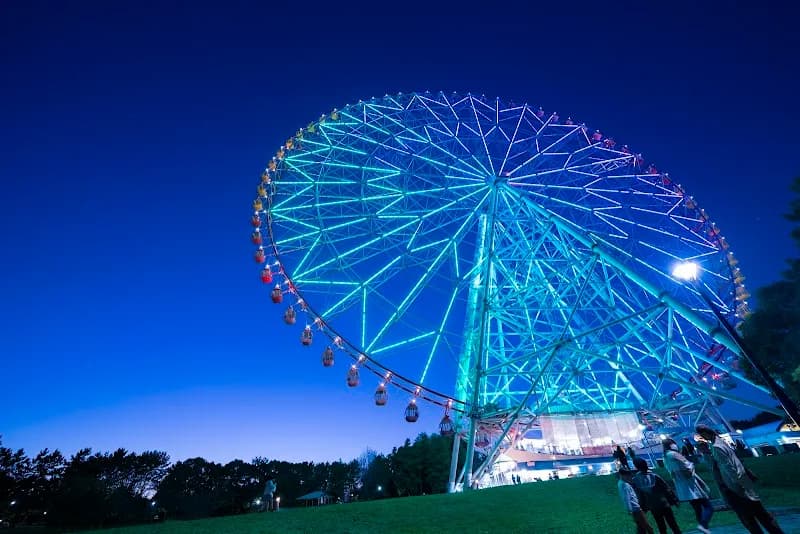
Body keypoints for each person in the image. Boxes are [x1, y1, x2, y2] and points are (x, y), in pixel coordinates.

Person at [696, 425, 784, 534]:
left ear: (704, 434)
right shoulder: (722, 442)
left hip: (737, 488)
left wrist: (738, 487)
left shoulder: (716, 447)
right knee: (763, 515)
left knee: (749, 520)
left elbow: (728, 469)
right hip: (744, 482)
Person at [662, 438, 714, 534]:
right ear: (671, 445)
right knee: (708, 507)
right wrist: (692, 465)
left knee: (697, 509)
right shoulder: (674, 454)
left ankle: (704, 529)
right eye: (674, 443)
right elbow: (687, 465)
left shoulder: (665, 457)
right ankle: (703, 525)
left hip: (682, 486)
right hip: (691, 484)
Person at [631, 457, 681, 534]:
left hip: (653, 506)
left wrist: (643, 507)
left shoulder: (635, 480)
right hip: (663, 503)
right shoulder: (655, 476)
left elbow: (639, 495)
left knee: (661, 525)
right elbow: (666, 489)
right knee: (673, 524)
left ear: (636, 466)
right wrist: (674, 500)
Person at [618, 467, 654, 534]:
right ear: (622, 475)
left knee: (641, 527)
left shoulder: (621, 483)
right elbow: (626, 498)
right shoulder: (624, 484)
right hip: (636, 508)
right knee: (648, 527)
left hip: (635, 508)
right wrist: (630, 509)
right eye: (626, 475)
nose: (628, 477)